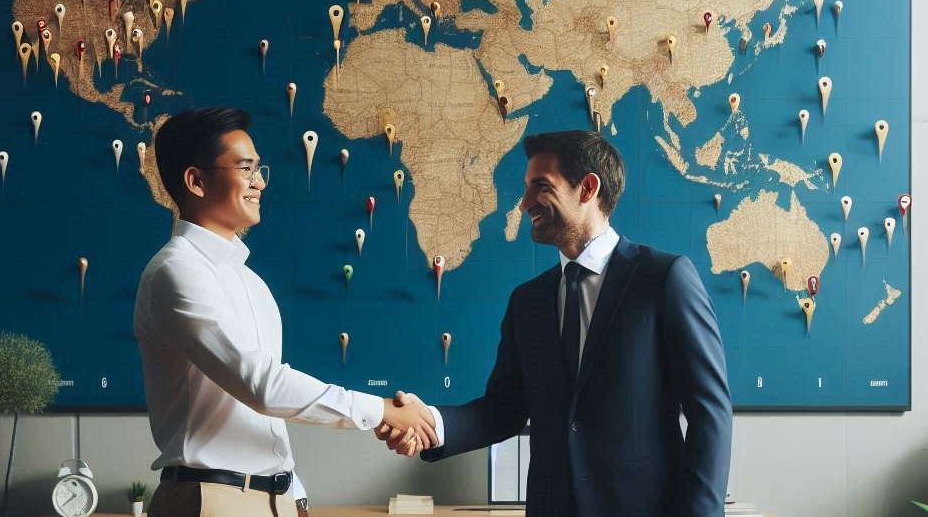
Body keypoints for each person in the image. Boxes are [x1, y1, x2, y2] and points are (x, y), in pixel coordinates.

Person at [380, 130, 732, 516]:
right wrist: (431, 422)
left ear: (588, 188)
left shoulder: (664, 278)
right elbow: (504, 409)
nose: (524, 203)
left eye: (540, 187)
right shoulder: (526, 302)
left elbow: (709, 413)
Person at [134, 107, 435, 517]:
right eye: (245, 169)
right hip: (211, 500)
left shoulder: (250, 283)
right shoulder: (176, 272)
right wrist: (381, 410)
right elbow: (263, 386)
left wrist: (294, 493)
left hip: (273, 500)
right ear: (196, 181)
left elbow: (263, 412)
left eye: (259, 170)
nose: (259, 182)